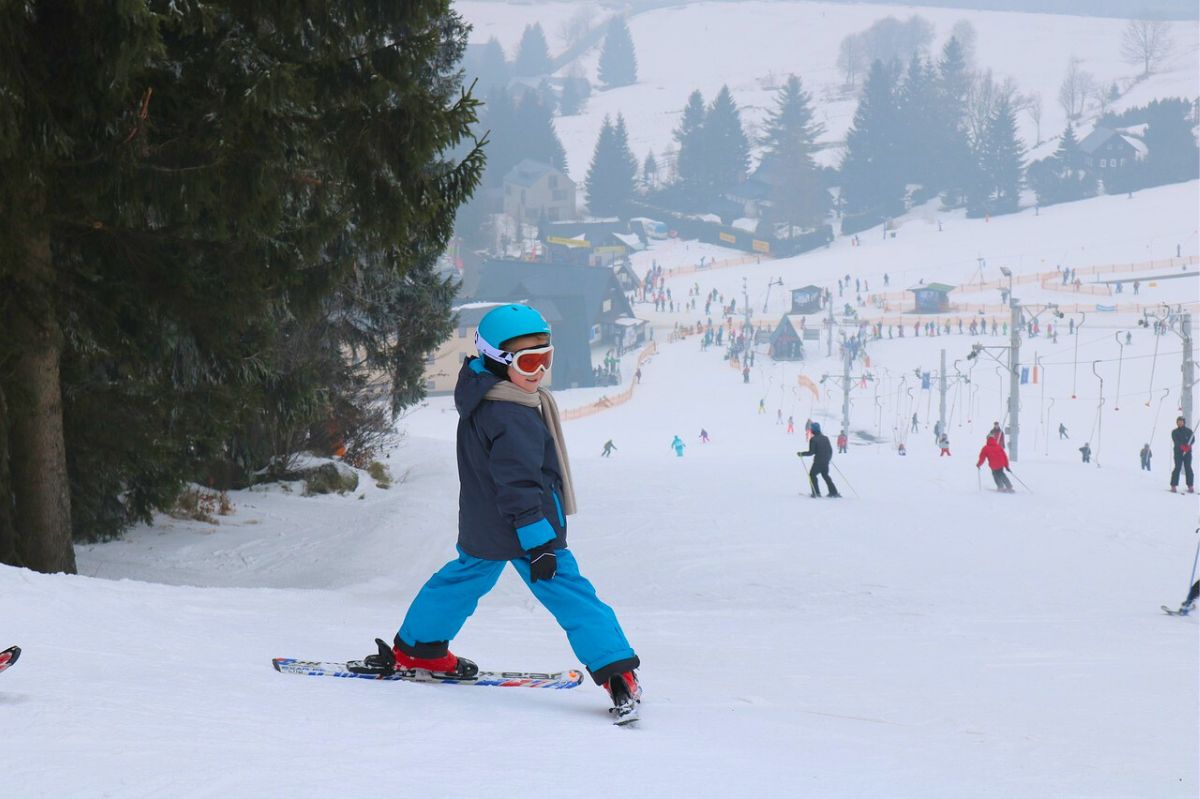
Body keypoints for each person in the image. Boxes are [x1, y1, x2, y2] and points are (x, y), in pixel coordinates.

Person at [357, 304, 640, 713]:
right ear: (497, 358)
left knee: (460, 582)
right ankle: (616, 669)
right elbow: (519, 484)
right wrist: (539, 541)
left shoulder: (482, 395)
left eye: (546, 357)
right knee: (572, 595)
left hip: (484, 523)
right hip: (528, 527)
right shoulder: (512, 414)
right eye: (528, 361)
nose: (539, 370)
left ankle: (419, 649)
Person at [798, 422, 840, 497]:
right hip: (826, 461)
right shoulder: (825, 438)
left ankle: (816, 493)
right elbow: (830, 450)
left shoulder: (813, 439)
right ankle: (834, 492)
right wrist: (828, 458)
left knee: (812, 475)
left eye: (811, 429)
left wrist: (801, 454)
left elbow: (811, 452)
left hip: (818, 462)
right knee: (825, 475)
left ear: (813, 430)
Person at [1169, 416, 1195, 493]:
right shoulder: (1174, 432)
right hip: (1178, 452)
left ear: (1184, 422)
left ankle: (1190, 486)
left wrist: (1189, 446)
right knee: (1177, 467)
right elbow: (1175, 440)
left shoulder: (1189, 431)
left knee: (1188, 468)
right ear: (1177, 423)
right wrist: (1182, 446)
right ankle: (1173, 485)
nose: (1180, 423)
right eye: (1178, 421)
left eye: (1181, 421)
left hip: (1188, 453)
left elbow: (1192, 439)